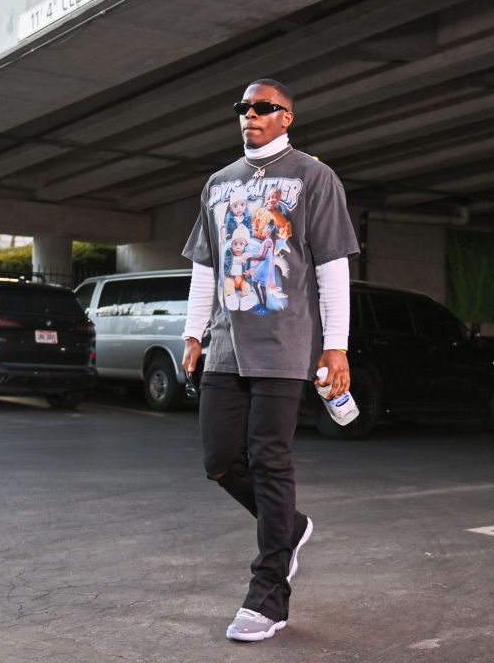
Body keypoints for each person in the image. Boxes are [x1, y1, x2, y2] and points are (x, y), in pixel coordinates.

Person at [181, 78, 359, 642]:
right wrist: (192, 334)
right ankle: (290, 526)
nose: (250, 115)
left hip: (285, 345)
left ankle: (269, 597)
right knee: (219, 459)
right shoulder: (218, 183)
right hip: (226, 348)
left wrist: (336, 346)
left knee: (271, 459)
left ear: (287, 118)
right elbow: (205, 267)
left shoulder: (313, 177)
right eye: (243, 107)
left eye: (264, 108)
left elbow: (332, 267)